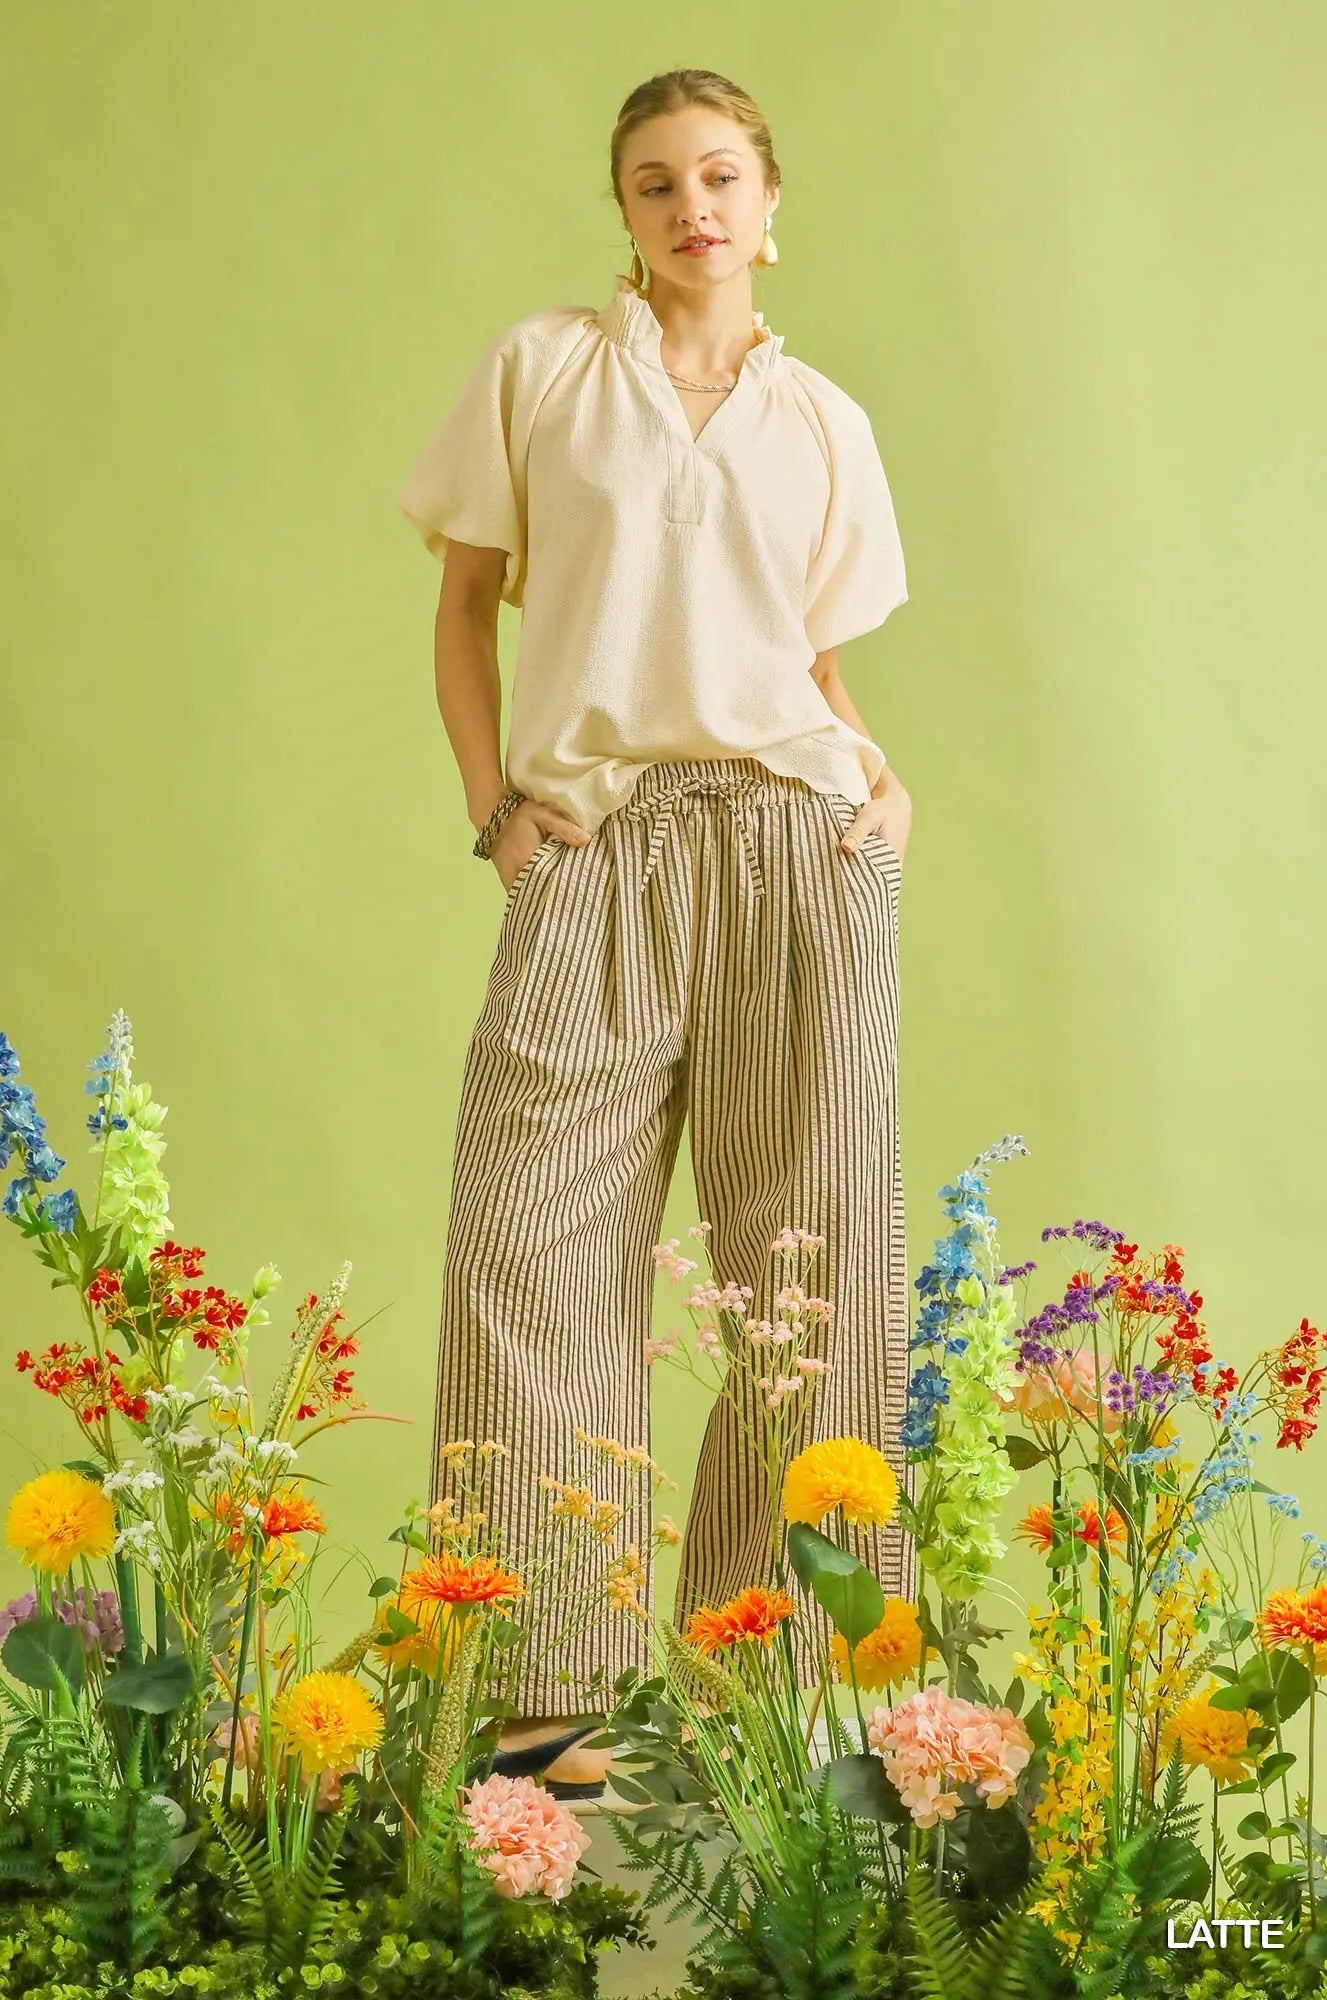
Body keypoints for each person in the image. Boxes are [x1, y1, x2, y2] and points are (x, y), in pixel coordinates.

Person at [397, 68, 915, 1797]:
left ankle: (777, 1685)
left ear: (773, 202)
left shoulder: (823, 422)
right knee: (528, 1256)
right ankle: (555, 1698)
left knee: (808, 1273)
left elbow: (814, 664)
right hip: (598, 846)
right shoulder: (546, 371)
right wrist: (499, 815)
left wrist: (881, 795)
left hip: (792, 839)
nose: (687, 206)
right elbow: (466, 605)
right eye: (649, 184)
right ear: (620, 213)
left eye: (716, 176)